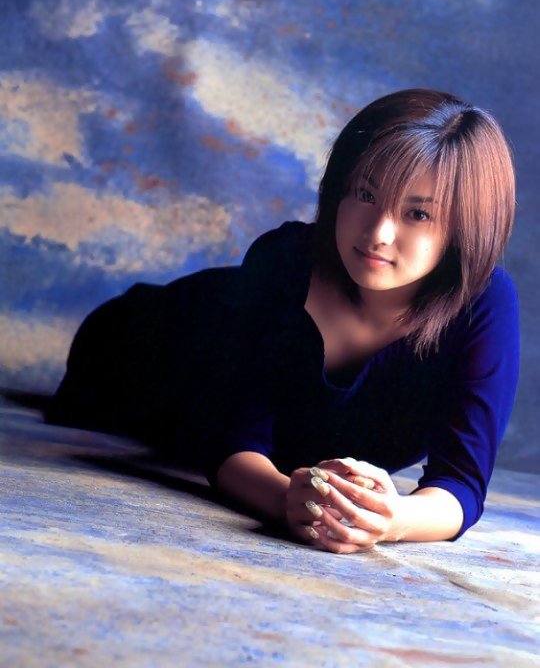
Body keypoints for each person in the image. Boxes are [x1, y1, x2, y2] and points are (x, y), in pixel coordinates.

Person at [45, 88, 520, 554]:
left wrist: (391, 519)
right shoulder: (285, 261)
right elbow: (230, 442)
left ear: (464, 228)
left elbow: (460, 484)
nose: (379, 233)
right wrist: (285, 502)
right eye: (365, 194)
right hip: (147, 348)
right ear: (340, 187)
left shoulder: (483, 305)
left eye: (418, 213)